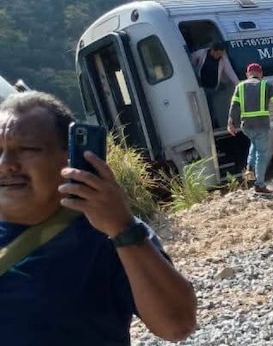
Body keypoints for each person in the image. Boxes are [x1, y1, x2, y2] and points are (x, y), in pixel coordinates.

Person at [0, 91, 197, 344]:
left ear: (71, 158)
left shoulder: (107, 234)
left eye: (27, 149)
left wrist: (123, 228)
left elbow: (177, 326)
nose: (6, 164)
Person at [227, 63, 273, 194]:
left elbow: (234, 105)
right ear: (261, 73)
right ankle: (259, 184)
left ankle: (249, 173)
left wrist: (230, 123)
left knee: (253, 147)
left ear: (248, 74)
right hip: (261, 124)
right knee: (261, 154)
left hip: (247, 126)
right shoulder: (266, 84)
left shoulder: (240, 86)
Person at [190, 41, 239, 128]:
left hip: (212, 88)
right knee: (203, 107)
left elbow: (230, 72)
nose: (219, 56)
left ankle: (213, 125)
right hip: (202, 87)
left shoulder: (223, 59)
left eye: (221, 54)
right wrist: (194, 72)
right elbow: (192, 58)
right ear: (212, 51)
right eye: (218, 54)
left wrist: (238, 84)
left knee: (211, 107)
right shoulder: (202, 53)